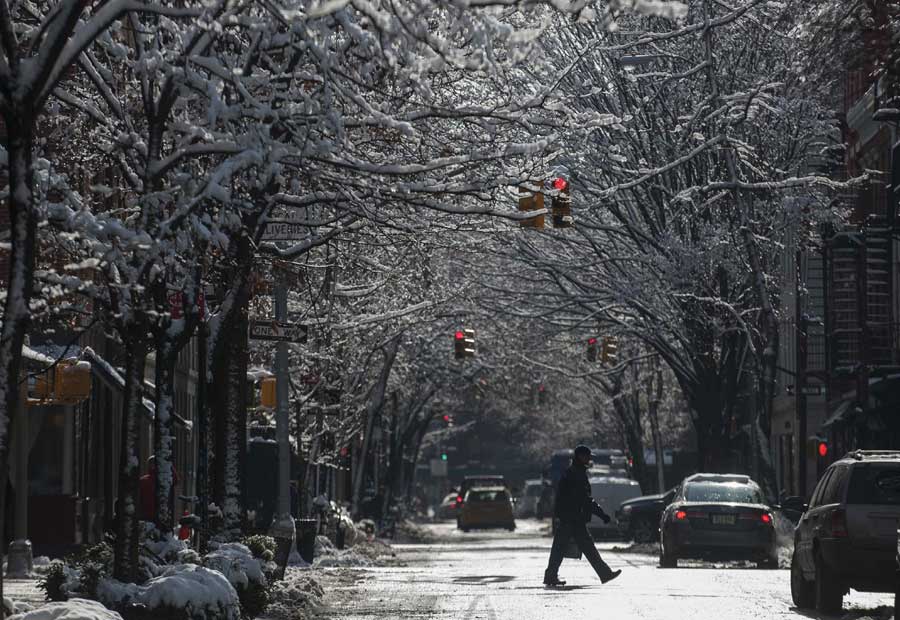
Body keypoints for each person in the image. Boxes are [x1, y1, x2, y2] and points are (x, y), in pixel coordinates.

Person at [544, 445, 622, 587]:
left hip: (572, 518)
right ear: (580, 456)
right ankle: (604, 573)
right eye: (587, 456)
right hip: (572, 518)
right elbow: (585, 499)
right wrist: (602, 515)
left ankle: (604, 573)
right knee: (567, 547)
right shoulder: (576, 474)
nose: (589, 459)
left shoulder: (573, 472)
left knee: (567, 547)